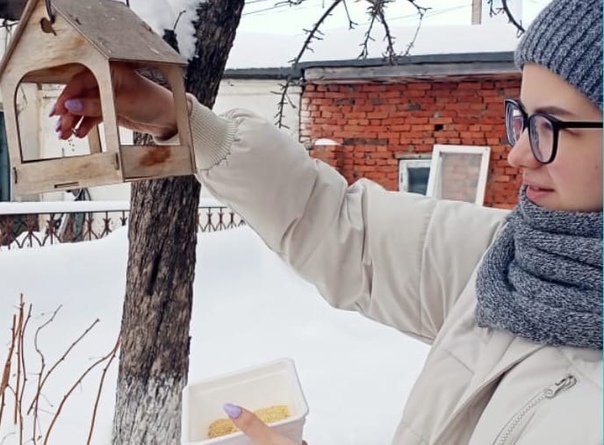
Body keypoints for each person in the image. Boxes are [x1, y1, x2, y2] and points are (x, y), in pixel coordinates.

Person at [51, 0, 602, 443]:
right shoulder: (512, 265)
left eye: (552, 126)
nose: (519, 154)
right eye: (522, 118)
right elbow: (332, 221)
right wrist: (174, 115)